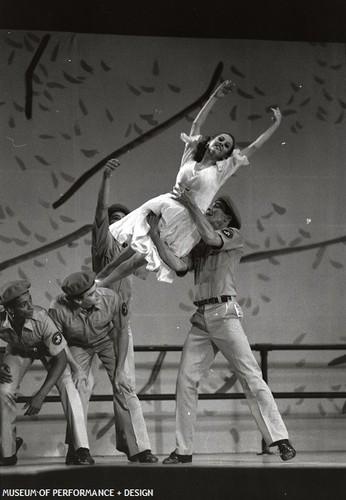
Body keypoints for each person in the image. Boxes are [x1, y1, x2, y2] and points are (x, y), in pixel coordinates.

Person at [146, 191, 296, 463]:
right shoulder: (198, 244)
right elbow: (179, 266)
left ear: (226, 217)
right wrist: (156, 238)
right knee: (185, 382)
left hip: (225, 314)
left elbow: (212, 237)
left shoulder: (232, 235)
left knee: (250, 375)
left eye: (215, 209)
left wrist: (191, 204)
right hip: (202, 319)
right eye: (210, 208)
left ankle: (280, 439)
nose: (211, 211)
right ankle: (183, 451)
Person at [96, 80, 282, 286]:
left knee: (142, 256)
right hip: (165, 206)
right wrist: (215, 97)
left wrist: (276, 124)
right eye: (220, 139)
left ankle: (100, 285)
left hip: (186, 221)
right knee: (134, 249)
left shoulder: (220, 172)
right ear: (210, 141)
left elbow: (254, 147)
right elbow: (196, 125)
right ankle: (99, 277)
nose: (222, 144)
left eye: (227, 145)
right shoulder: (190, 158)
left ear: (227, 155)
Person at [48, 270, 157, 463]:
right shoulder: (57, 308)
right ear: (77, 301)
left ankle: (140, 449)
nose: (97, 294)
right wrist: (76, 368)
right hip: (75, 345)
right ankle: (78, 449)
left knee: (125, 385)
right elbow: (59, 344)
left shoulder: (111, 298)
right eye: (91, 294)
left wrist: (121, 369)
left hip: (107, 339)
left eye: (95, 289)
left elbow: (122, 331)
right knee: (78, 386)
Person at [0, 280, 94, 466]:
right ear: (10, 310)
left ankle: (81, 449)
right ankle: (7, 451)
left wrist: (41, 394)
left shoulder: (41, 317)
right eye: (23, 305)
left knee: (68, 386)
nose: (30, 307)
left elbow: (60, 359)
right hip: (19, 350)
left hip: (48, 350)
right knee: (4, 391)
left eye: (30, 300)